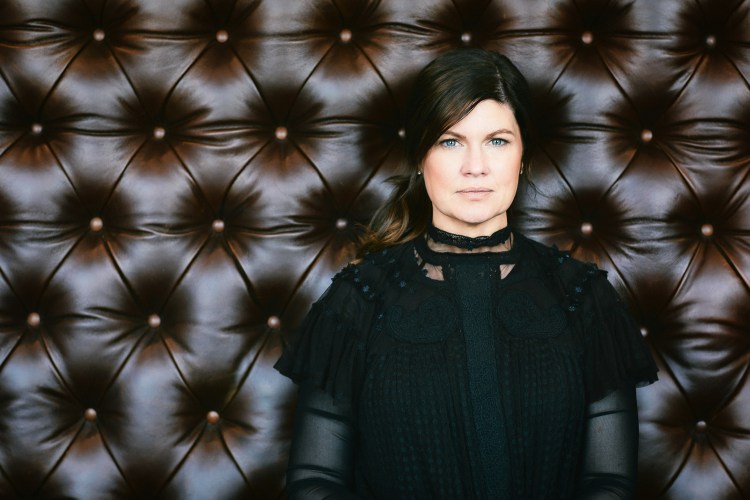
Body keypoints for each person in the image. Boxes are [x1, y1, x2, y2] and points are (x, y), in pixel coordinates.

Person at [274, 48, 658, 499]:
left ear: (523, 156)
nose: (475, 166)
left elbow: (609, 484)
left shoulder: (583, 297)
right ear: (420, 156)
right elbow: (314, 482)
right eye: (450, 141)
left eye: (497, 141)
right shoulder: (358, 299)